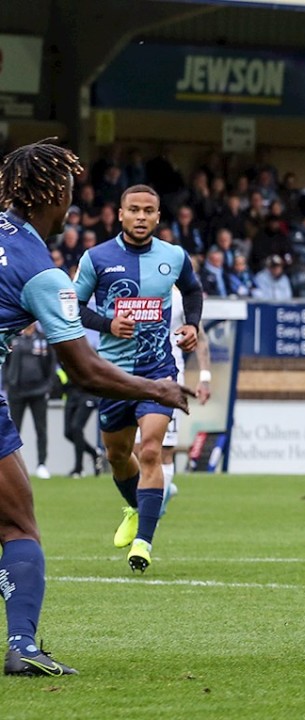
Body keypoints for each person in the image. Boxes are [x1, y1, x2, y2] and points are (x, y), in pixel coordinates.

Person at [0, 140, 190, 676]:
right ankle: (22, 647)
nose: (72, 204)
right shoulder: (42, 271)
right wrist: (158, 390)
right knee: (17, 526)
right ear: (52, 196)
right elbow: (85, 370)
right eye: (68, 192)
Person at [74, 183, 204, 574]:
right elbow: (72, 306)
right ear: (120, 214)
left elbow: (192, 291)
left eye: (149, 210)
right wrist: (108, 324)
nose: (141, 216)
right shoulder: (96, 258)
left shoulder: (174, 256)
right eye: (134, 210)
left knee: (149, 450)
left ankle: (144, 543)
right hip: (112, 374)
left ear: (158, 216)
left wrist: (192, 325)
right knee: (117, 455)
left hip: (157, 372)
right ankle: (136, 507)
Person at [134, 285, 212, 513]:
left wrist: (205, 378)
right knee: (137, 450)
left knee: (161, 449)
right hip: (136, 379)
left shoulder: (179, 297)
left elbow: (201, 337)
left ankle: (151, 511)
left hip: (169, 381)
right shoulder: (137, 290)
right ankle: (162, 492)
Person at [2, 323, 55, 479]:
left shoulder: (43, 338)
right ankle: (15, 466)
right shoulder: (14, 337)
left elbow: (51, 364)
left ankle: (42, 464)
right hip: (17, 392)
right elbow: (5, 361)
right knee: (14, 429)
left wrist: (48, 386)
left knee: (41, 429)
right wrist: (8, 383)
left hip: (39, 392)